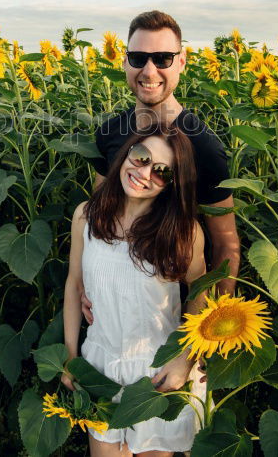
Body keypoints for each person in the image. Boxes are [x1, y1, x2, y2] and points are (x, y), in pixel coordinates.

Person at [84, 11, 239, 334]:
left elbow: (225, 243)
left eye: (163, 58)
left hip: (175, 320)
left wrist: (216, 329)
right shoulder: (110, 132)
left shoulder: (203, 146)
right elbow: (98, 212)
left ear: (181, 62)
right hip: (110, 313)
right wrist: (86, 281)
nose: (149, 70)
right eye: (139, 58)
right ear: (125, 63)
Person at [63, 125, 208, 456]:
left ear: (172, 185)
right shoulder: (86, 217)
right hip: (100, 364)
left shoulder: (183, 232)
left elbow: (199, 295)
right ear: (126, 153)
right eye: (141, 157)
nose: (144, 173)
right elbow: (74, 284)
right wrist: (70, 355)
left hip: (157, 372)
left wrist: (184, 359)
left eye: (161, 172)